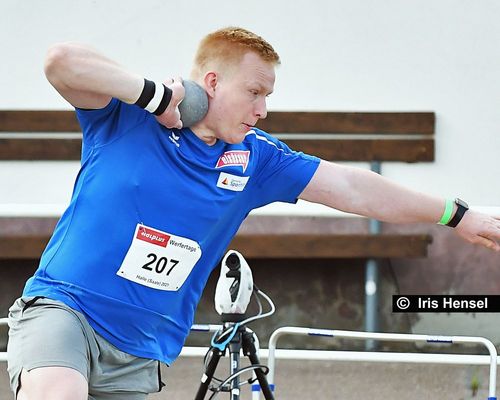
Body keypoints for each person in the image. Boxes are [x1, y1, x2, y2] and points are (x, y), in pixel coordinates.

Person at [7, 26, 500, 400]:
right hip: (64, 308)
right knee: (55, 392)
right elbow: (61, 61)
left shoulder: (258, 159)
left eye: (268, 96)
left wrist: (456, 215)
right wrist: (153, 94)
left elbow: (354, 187)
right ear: (212, 82)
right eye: (254, 92)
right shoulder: (127, 118)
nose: (263, 108)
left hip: (142, 346)